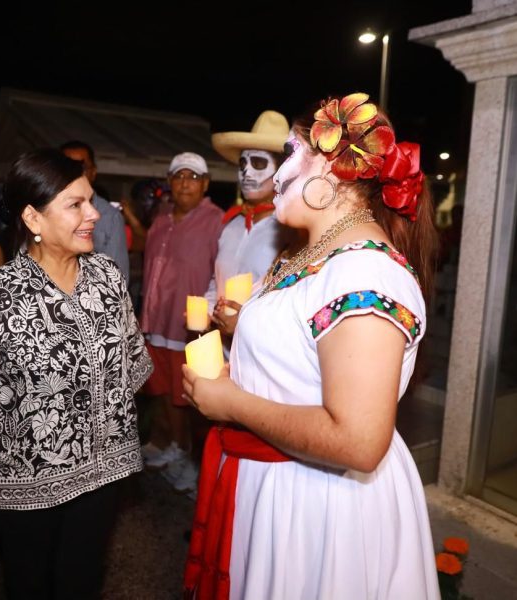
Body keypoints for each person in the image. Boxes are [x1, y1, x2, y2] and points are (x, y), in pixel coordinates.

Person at [181, 93, 440, 599]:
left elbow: (359, 443)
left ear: (328, 167)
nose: (275, 173)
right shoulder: (309, 255)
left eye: (289, 153)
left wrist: (232, 401)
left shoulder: (365, 272)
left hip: (319, 508)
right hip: (279, 490)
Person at [0, 149, 152, 600]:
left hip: (104, 476)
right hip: (23, 485)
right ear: (33, 219)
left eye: (91, 200)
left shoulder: (107, 278)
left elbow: (131, 364)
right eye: (75, 204)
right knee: (30, 586)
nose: (94, 214)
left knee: (81, 582)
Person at [139, 153, 224, 488]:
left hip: (189, 327)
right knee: (161, 391)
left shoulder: (218, 221)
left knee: (188, 397)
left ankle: (192, 460)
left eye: (193, 176)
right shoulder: (161, 220)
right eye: (178, 176)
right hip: (156, 321)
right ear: (170, 182)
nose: (185, 182)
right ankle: (173, 446)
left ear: (205, 184)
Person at [208, 110, 294, 337]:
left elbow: (290, 302)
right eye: (242, 163)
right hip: (222, 356)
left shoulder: (291, 232)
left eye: (257, 163)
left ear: (281, 171)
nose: (246, 171)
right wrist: (207, 311)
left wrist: (245, 324)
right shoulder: (232, 225)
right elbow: (217, 283)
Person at [61, 140, 130, 283]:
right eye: (66, 168)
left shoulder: (110, 216)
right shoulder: (43, 211)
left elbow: (118, 279)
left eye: (81, 168)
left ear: (93, 172)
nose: (75, 175)